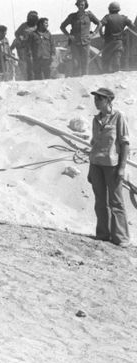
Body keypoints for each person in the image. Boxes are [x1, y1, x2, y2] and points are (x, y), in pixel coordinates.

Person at [87, 88, 130, 247]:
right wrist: (90, 168)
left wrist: (122, 168)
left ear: (108, 101)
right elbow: (95, 144)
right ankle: (103, 234)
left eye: (100, 99)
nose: (96, 101)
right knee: (100, 201)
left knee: (116, 202)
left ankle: (121, 238)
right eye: (95, 98)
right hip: (96, 164)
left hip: (112, 165)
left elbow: (125, 143)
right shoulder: (95, 120)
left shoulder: (119, 117)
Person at [61, 0, 101, 76]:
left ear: (85, 5)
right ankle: (76, 81)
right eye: (79, 5)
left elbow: (99, 24)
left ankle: (85, 80)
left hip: (86, 42)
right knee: (76, 63)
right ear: (77, 5)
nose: (81, 6)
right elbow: (62, 26)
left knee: (85, 63)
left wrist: (94, 34)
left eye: (82, 5)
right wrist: (69, 35)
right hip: (75, 43)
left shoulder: (89, 15)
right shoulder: (72, 16)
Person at [99, 2, 136, 73]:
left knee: (105, 60)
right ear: (118, 9)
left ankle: (105, 74)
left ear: (109, 9)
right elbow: (132, 26)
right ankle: (116, 73)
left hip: (108, 42)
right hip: (119, 43)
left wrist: (101, 35)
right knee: (116, 60)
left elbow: (100, 25)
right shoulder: (123, 18)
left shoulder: (107, 17)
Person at [14, 11, 39, 80]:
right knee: (29, 64)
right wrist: (21, 38)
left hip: (37, 48)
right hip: (27, 48)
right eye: (31, 17)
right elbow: (17, 33)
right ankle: (30, 79)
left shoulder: (38, 26)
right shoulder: (24, 25)